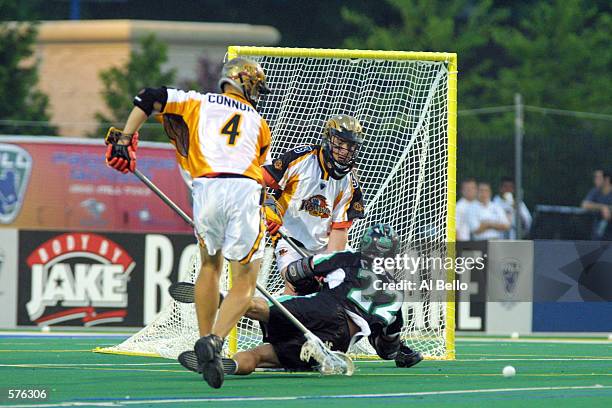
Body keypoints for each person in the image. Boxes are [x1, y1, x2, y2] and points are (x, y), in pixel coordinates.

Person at [103, 57, 272, 388]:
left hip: (205, 187)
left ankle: (205, 335)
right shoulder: (258, 121)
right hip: (243, 189)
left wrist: (125, 138)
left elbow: (148, 96)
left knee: (209, 264)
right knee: (244, 281)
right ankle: (214, 342)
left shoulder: (197, 101)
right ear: (245, 82)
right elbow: (258, 168)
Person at [178, 224, 423, 376]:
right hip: (337, 342)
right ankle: (226, 365)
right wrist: (398, 353)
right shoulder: (396, 296)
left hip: (324, 307)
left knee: (259, 307)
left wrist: (315, 281)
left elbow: (297, 271)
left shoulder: (349, 257)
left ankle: (219, 298)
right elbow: (386, 347)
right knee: (259, 357)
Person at [262, 114, 366, 293]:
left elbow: (339, 232)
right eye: (340, 143)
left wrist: (324, 265)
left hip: (324, 247)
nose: (344, 151)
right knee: (300, 283)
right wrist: (264, 204)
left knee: (356, 283)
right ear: (327, 139)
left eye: (350, 146)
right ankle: (275, 318)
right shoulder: (302, 158)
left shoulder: (350, 184)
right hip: (290, 241)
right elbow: (259, 179)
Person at [581, 170, 612, 240]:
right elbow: (585, 204)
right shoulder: (595, 191)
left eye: (598, 178)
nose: (595, 180)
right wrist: (603, 207)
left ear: (607, 179)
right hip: (599, 236)